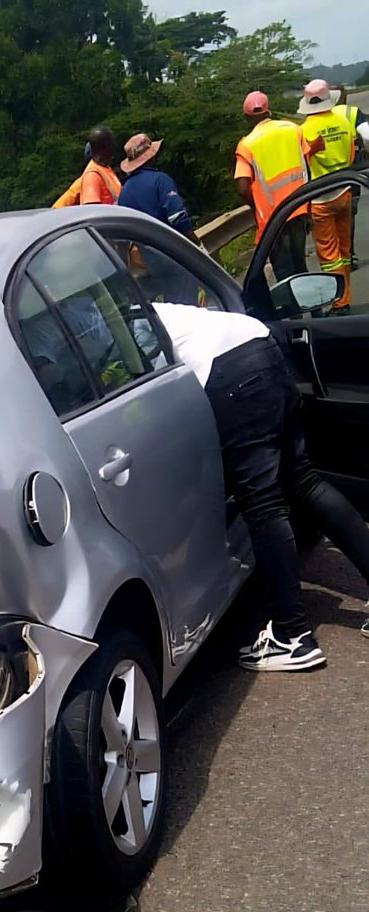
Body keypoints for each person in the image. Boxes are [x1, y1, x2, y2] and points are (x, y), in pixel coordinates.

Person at [152, 301, 369, 669]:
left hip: (231, 372)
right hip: (259, 342)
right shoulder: (139, 301)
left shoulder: (115, 320)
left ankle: (292, 636)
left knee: (263, 504)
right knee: (303, 482)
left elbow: (140, 380)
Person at [234, 90, 311, 283]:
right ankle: (314, 308)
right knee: (299, 263)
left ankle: (293, 312)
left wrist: (256, 205)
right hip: (299, 208)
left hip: (272, 218)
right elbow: (306, 165)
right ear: (268, 110)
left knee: (284, 270)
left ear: (246, 117)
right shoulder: (294, 129)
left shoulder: (247, 145)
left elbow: (243, 188)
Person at [117, 132, 201, 302]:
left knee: (171, 307)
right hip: (173, 255)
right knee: (187, 305)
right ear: (151, 157)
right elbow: (178, 218)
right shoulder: (160, 181)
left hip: (148, 262)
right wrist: (195, 243)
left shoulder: (124, 192)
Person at [298, 79, 357, 312]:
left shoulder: (304, 130)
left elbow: (303, 161)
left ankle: (339, 301)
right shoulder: (343, 120)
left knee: (329, 254)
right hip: (345, 188)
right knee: (344, 250)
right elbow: (352, 153)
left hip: (321, 196)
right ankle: (346, 296)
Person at [331, 85, 369, 269]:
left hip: (323, 174)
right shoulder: (353, 113)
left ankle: (334, 257)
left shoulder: (316, 117)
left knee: (327, 214)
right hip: (351, 170)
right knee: (348, 212)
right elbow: (367, 136)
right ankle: (349, 255)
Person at [52, 127, 121, 208]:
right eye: (112, 142)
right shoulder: (92, 176)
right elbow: (91, 211)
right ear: (107, 145)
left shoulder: (105, 168)